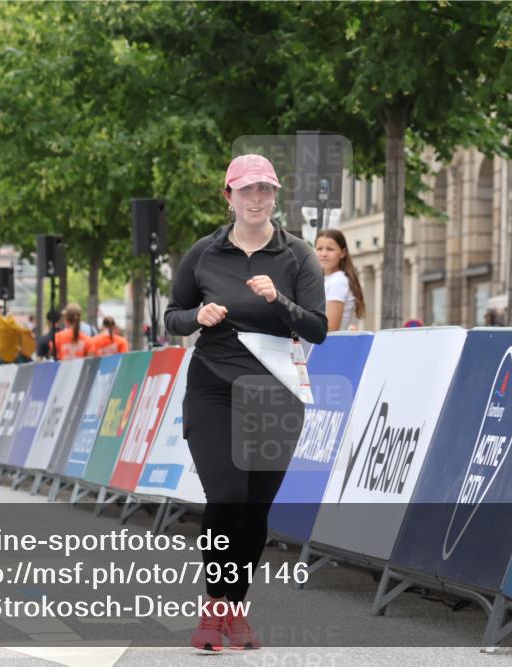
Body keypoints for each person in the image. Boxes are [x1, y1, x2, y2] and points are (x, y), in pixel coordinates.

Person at [164, 153, 327, 652]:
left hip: (276, 392)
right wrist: (199, 316)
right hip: (214, 386)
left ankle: (235, 611)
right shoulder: (204, 253)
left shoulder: (298, 255)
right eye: (247, 189)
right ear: (228, 196)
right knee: (227, 496)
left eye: (266, 190)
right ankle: (215, 611)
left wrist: (279, 300)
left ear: (275, 195)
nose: (257, 198)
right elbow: (172, 316)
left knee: (255, 509)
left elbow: (318, 329)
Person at [315, 228, 366, 332]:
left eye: (330, 249)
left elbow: (330, 328)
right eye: (319, 249)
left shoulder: (338, 281)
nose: (324, 254)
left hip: (328, 346)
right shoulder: (327, 279)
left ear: (343, 253)